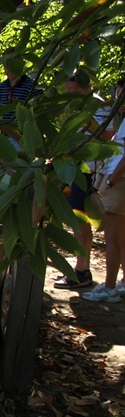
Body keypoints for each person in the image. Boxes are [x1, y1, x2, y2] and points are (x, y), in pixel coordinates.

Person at [54, 71, 113, 289]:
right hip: (72, 169)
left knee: (80, 219)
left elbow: (108, 136)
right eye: (69, 93)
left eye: (77, 92)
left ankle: (81, 272)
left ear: (88, 87)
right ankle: (82, 269)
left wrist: (87, 125)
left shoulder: (99, 106)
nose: (72, 97)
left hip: (89, 170)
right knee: (76, 219)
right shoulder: (71, 107)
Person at [83, 77, 125, 303]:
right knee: (121, 236)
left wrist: (112, 180)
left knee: (112, 238)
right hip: (115, 180)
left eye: (120, 95)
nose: (117, 100)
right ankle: (121, 282)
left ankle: (109, 288)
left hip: (118, 183)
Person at [0, 58, 37, 122]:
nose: (9, 71)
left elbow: (36, 112)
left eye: (12, 67)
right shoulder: (2, 87)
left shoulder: (32, 87)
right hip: (4, 127)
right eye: (6, 67)